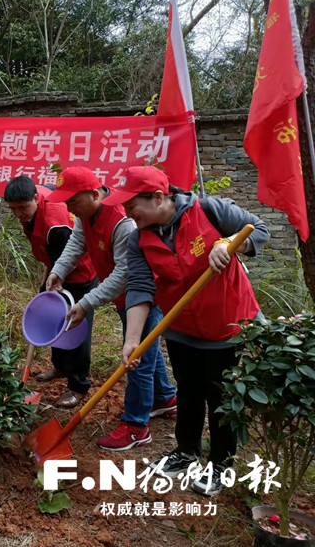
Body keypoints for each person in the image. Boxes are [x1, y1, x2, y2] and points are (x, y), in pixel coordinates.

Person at [103, 166, 268, 496]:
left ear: (159, 198)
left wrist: (226, 244)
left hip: (226, 323)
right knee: (189, 390)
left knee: (220, 396)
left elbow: (259, 230)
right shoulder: (139, 239)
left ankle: (220, 463)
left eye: (131, 205)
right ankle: (186, 451)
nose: (126, 212)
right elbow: (139, 287)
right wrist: (132, 340)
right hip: (180, 326)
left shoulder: (207, 210)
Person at [46, 166, 177, 449]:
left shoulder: (122, 222)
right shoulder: (85, 214)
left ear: (94, 194)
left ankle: (136, 426)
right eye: (65, 202)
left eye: (73, 201)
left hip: (144, 296)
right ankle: (165, 398)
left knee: (137, 357)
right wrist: (58, 271)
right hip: (124, 297)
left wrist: (86, 302)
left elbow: (124, 274)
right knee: (146, 348)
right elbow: (77, 244)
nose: (69, 207)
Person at [4, 175, 98, 407]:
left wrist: (53, 286)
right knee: (53, 318)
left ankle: (78, 385)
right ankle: (61, 367)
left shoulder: (56, 224)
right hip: (56, 268)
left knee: (75, 325)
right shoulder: (31, 207)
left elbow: (69, 257)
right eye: (13, 209)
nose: (18, 214)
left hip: (80, 274)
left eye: (23, 208)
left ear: (36, 198)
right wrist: (47, 281)